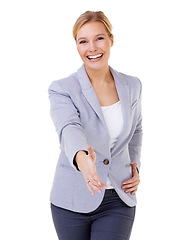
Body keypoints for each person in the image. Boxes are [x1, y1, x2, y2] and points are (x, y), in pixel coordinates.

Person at [48, 10, 142, 240]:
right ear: (77, 46)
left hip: (119, 198)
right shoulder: (62, 88)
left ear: (111, 39)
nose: (92, 48)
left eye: (99, 38)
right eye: (83, 41)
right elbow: (69, 127)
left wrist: (135, 166)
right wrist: (82, 158)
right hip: (71, 200)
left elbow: (137, 129)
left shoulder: (132, 85)